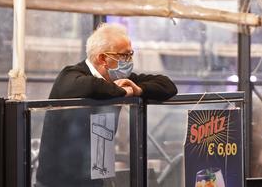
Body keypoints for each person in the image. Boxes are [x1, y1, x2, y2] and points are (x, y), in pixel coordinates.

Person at [36, 23, 177, 187]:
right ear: (102, 58)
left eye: (131, 54)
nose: (129, 61)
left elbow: (167, 85)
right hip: (58, 181)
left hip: (94, 178)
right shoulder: (70, 75)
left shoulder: (122, 79)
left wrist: (139, 89)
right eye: (124, 55)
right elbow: (91, 86)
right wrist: (123, 91)